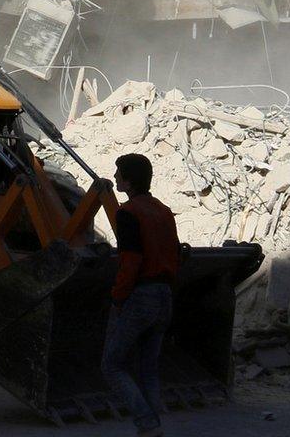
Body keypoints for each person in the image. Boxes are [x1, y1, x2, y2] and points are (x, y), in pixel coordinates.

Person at [103, 153, 178, 437]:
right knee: (148, 368)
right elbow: (173, 253)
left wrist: (118, 297)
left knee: (112, 366)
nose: (114, 176)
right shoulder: (164, 210)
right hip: (164, 296)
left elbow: (131, 260)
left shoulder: (128, 213)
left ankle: (147, 423)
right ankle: (153, 426)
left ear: (129, 181)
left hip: (140, 297)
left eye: (118, 172)